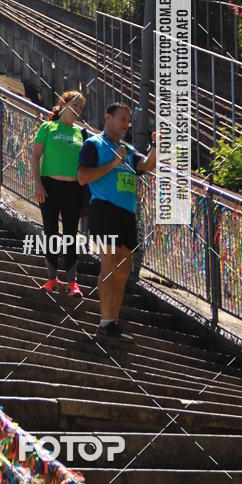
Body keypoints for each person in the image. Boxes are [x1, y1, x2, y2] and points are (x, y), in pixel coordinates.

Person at [78, 103, 157, 340]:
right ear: (107, 117)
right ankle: (104, 323)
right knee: (109, 263)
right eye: (122, 118)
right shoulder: (93, 144)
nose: (126, 123)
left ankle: (113, 322)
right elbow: (82, 177)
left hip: (126, 213)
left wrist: (157, 145)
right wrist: (113, 163)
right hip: (104, 209)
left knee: (123, 269)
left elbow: (146, 165)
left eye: (129, 120)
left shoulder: (128, 150)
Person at [32, 90, 88, 296]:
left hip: (73, 189)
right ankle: (51, 279)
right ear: (63, 103)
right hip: (49, 186)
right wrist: (38, 184)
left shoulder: (81, 133)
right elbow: (35, 156)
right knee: (51, 231)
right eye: (75, 104)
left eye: (81, 108)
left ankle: (73, 283)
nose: (78, 110)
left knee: (71, 234)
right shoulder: (48, 127)